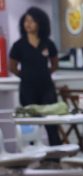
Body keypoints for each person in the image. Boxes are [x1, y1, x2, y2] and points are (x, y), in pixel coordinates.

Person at [9, 7, 61, 146]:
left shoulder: (48, 44)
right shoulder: (18, 45)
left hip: (46, 88)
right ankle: (32, 155)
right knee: (31, 124)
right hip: (28, 89)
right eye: (26, 20)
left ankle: (56, 157)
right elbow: (12, 67)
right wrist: (26, 75)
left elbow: (55, 64)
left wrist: (44, 74)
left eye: (32, 21)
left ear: (40, 23)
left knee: (51, 123)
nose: (28, 24)